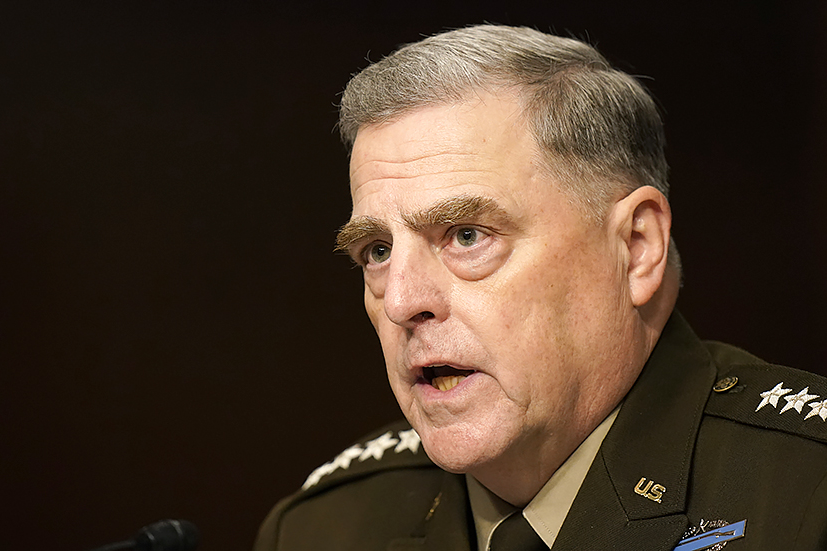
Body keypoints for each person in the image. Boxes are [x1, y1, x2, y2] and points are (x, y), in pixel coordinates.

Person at [254, 25, 827, 551]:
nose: (402, 301)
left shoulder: (806, 495)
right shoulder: (320, 529)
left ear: (636, 248)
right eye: (377, 251)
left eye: (466, 235)